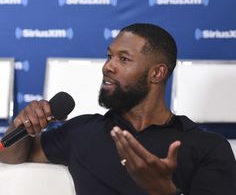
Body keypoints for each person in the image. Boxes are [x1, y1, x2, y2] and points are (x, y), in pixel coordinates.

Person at [0, 23, 236, 195]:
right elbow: (11, 155)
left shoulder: (207, 147)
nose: (107, 67)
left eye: (123, 59)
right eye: (109, 56)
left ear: (157, 73)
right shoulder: (83, 131)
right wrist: (23, 125)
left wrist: (164, 191)